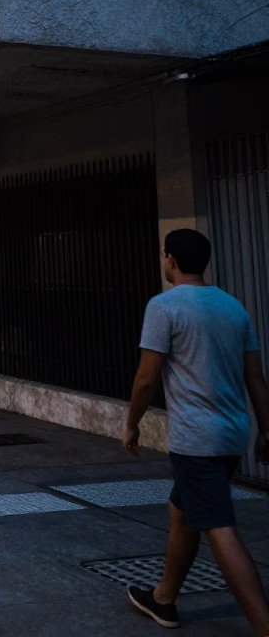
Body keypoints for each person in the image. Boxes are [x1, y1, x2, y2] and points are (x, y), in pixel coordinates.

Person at [123, 228, 269, 633]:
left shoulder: (164, 306)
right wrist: (265, 430)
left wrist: (132, 423)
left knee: (219, 527)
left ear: (170, 259)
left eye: (164, 256)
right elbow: (255, 375)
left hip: (195, 439)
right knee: (182, 512)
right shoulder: (232, 306)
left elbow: (146, 379)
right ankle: (164, 598)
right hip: (231, 433)